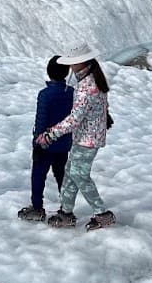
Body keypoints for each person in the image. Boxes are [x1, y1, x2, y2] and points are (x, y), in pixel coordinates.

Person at [36, 46, 115, 231]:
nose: (70, 66)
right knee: (71, 173)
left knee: (79, 175)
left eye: (72, 62)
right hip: (86, 136)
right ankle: (66, 212)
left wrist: (50, 134)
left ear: (81, 62)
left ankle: (102, 213)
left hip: (87, 139)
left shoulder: (87, 86)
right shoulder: (92, 78)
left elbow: (74, 119)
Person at [18, 56, 74, 222]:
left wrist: (37, 140)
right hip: (64, 143)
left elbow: (41, 120)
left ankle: (37, 208)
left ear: (49, 73)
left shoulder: (45, 95)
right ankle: (66, 210)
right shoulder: (71, 93)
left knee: (38, 175)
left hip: (45, 145)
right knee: (61, 175)